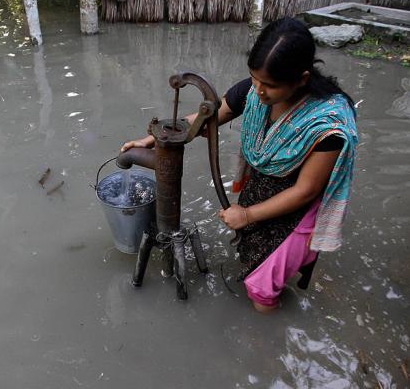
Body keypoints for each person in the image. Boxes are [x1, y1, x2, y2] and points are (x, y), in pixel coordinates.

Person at [120, 18, 358, 312]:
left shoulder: (327, 127)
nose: (258, 91)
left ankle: (265, 342)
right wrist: (152, 140)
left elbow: (306, 191)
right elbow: (206, 117)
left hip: (298, 211)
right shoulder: (255, 91)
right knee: (253, 260)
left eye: (269, 85)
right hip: (263, 189)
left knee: (261, 294)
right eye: (254, 79)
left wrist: (247, 215)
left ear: (301, 79)